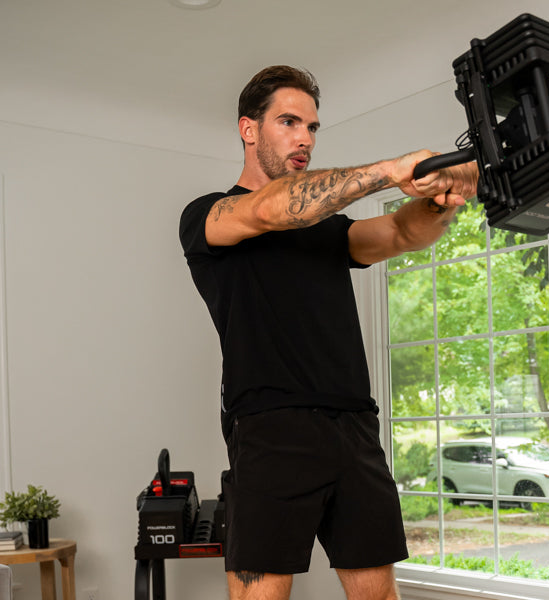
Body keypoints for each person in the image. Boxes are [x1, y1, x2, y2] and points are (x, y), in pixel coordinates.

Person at [179, 65, 478, 600]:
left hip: (354, 426)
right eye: (289, 121)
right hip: (272, 428)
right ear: (248, 129)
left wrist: (440, 201)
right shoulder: (209, 216)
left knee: (380, 595)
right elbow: (273, 208)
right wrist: (391, 171)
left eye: (313, 127)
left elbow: (401, 232)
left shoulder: (329, 232)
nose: (304, 138)